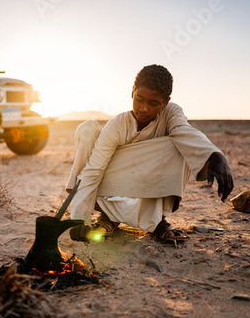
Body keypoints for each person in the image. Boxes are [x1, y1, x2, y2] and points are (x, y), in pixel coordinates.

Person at [66, 64, 233, 244]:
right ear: (132, 92)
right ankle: (107, 216)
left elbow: (185, 131)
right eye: (139, 99)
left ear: (165, 102)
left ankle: (157, 220)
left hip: (145, 185)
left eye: (153, 103)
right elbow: (93, 171)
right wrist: (78, 218)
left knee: (179, 143)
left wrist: (215, 154)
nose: (144, 108)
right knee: (88, 129)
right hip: (108, 189)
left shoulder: (171, 113)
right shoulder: (117, 125)